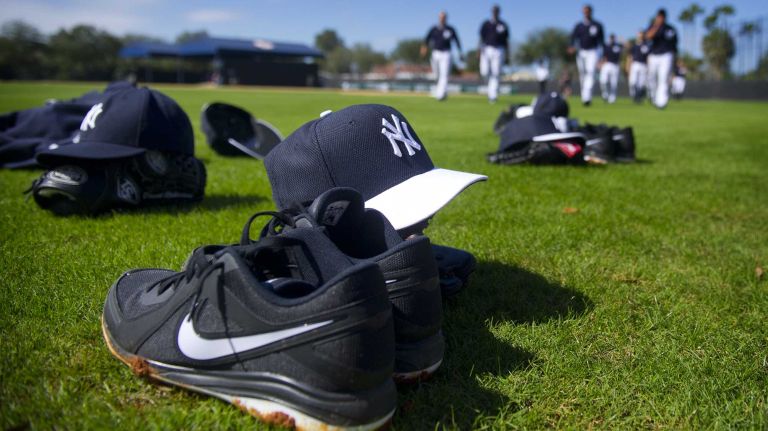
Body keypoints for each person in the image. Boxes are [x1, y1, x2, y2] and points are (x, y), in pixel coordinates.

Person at [421, 11, 463, 101]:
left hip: (446, 53)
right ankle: (441, 92)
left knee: (444, 75)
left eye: (444, 17)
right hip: (435, 53)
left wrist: (460, 53)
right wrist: (424, 49)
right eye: (441, 17)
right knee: (437, 75)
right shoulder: (434, 29)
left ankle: (440, 95)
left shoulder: (451, 29)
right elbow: (426, 40)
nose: (442, 18)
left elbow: (457, 41)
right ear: (439, 18)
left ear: (446, 18)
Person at [568, 4, 605, 106]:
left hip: (593, 51)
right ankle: (585, 96)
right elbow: (573, 38)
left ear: (591, 12)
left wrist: (602, 56)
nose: (586, 13)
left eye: (588, 11)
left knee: (590, 72)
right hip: (581, 52)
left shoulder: (597, 25)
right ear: (583, 12)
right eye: (584, 11)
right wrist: (571, 46)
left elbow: (601, 41)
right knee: (583, 74)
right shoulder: (579, 26)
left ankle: (587, 97)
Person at [645, 8, 678, 109]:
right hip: (654, 55)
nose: (660, 18)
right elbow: (648, 37)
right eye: (658, 17)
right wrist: (656, 26)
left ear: (665, 17)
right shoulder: (652, 26)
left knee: (663, 78)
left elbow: (674, 45)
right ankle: (654, 97)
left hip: (666, 55)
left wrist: (674, 60)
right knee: (651, 77)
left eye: (662, 17)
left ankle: (661, 102)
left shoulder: (670, 29)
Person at [479, 5, 510, 103]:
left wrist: (508, 54)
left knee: (496, 73)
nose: (495, 12)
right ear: (491, 12)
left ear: (499, 12)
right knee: (484, 72)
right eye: (494, 11)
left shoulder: (503, 25)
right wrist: (478, 50)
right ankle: (491, 91)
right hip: (486, 49)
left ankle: (492, 95)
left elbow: (506, 41)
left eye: (497, 11)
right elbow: (480, 38)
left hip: (499, 49)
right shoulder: (486, 24)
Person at [627, 31, 650, 103]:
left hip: (643, 65)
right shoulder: (634, 46)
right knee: (633, 82)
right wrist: (628, 66)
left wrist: (648, 67)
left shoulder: (646, 45)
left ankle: (638, 97)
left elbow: (648, 57)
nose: (640, 36)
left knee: (641, 83)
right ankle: (634, 95)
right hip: (635, 64)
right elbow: (630, 57)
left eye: (641, 35)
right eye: (639, 35)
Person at [599, 34, 622, 103]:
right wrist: (600, 63)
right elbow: (603, 55)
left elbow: (627, 46)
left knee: (614, 83)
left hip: (615, 65)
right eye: (610, 38)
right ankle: (605, 94)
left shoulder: (618, 46)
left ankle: (612, 98)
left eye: (613, 38)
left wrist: (622, 40)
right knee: (603, 81)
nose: (612, 39)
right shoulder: (606, 46)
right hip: (606, 64)